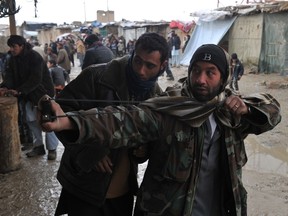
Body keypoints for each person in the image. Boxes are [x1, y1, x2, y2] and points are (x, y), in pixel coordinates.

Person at [41, 44, 281, 215]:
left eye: (210, 72)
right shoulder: (170, 107)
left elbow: (272, 111)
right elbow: (122, 120)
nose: (201, 80)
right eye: (196, 70)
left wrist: (249, 110)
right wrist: (69, 122)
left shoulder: (232, 112)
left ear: (224, 76)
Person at [48, 32, 169, 216]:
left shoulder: (156, 96)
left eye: (149, 65)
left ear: (163, 66)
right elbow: (61, 113)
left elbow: (151, 137)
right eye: (137, 61)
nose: (141, 70)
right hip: (85, 186)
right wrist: (89, 152)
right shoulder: (96, 76)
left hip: (122, 191)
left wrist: (142, 151)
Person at [0, 35, 57, 160]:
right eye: (10, 47)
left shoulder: (34, 57)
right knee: (31, 119)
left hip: (44, 93)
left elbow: (35, 79)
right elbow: (9, 76)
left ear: (22, 46)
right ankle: (39, 146)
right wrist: (4, 86)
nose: (12, 49)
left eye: (14, 46)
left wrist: (19, 90)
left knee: (47, 121)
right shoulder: (13, 59)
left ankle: (52, 149)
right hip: (28, 95)